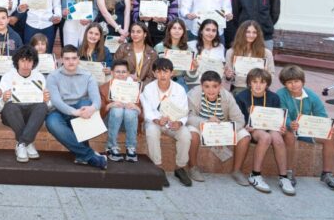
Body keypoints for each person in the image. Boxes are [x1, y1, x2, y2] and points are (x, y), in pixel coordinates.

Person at [278, 65, 334, 191]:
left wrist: (329, 127)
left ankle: (326, 174)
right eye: (289, 82)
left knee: (331, 136)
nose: (293, 85)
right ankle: (289, 172)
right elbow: (280, 114)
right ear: (285, 84)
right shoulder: (281, 94)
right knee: (290, 136)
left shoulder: (312, 96)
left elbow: (322, 116)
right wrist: (290, 123)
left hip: (306, 130)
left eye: (296, 81)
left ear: (303, 81)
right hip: (287, 129)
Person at [45, 45, 108, 169]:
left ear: (78, 59)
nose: (71, 62)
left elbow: (96, 100)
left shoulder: (88, 75)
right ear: (61, 59)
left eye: (74, 58)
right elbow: (56, 101)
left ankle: (83, 156)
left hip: (81, 109)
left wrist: (92, 108)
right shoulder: (53, 76)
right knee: (51, 122)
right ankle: (89, 155)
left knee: (85, 104)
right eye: (67, 59)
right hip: (60, 111)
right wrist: (75, 112)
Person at [234, 68, 294, 195]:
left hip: (270, 126)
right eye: (254, 82)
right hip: (253, 128)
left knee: (277, 138)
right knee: (265, 137)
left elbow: (277, 118)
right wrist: (246, 126)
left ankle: (283, 177)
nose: (258, 85)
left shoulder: (274, 97)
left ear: (267, 84)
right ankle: (255, 174)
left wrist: (281, 127)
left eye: (262, 82)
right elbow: (238, 118)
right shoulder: (241, 97)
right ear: (249, 83)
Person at [186, 70, 251, 186]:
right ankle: (193, 167)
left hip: (222, 128)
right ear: (201, 86)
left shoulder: (227, 96)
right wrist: (206, 122)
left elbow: (240, 120)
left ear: (220, 86)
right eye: (207, 87)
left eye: (215, 86)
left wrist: (225, 133)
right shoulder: (193, 95)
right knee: (191, 133)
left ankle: (236, 170)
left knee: (245, 136)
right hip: (201, 127)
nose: (211, 90)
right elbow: (188, 117)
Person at [141, 58, 193, 186]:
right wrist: (157, 120)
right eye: (158, 72)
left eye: (166, 72)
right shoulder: (148, 88)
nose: (162, 75)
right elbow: (147, 110)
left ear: (172, 73)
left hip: (173, 122)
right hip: (156, 122)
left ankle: (180, 168)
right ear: (154, 74)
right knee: (151, 132)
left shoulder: (179, 89)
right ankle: (157, 167)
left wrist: (179, 123)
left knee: (186, 135)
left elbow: (184, 110)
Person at [0, 45, 51, 163]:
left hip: (31, 114)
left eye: (29, 61)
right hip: (12, 114)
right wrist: (3, 99)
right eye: (23, 60)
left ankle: (22, 143)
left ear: (34, 62)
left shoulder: (39, 76)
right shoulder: (8, 76)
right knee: (10, 106)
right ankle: (28, 142)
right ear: (17, 61)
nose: (26, 65)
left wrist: (46, 99)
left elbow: (48, 105)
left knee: (42, 106)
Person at [98, 59, 142, 162]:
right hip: (110, 121)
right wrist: (109, 106)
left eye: (124, 72)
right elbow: (99, 112)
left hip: (130, 122)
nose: (121, 74)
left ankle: (131, 147)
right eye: (117, 72)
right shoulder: (104, 88)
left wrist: (136, 108)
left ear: (128, 73)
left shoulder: (134, 87)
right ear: (112, 73)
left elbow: (141, 113)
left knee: (130, 111)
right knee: (117, 109)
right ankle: (111, 146)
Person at [224, 20, 275, 94]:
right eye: (248, 32)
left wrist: (265, 77)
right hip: (240, 87)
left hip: (260, 89)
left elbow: (271, 75)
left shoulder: (266, 53)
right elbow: (229, 78)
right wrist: (228, 75)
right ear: (241, 33)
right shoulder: (231, 52)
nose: (251, 35)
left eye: (254, 32)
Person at [154, 19, 190, 90]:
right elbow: (153, 67)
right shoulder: (159, 47)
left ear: (183, 32)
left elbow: (189, 75)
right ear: (169, 30)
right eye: (174, 28)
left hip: (180, 80)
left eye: (180, 28)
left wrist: (193, 67)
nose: (177, 31)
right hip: (161, 79)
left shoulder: (188, 50)